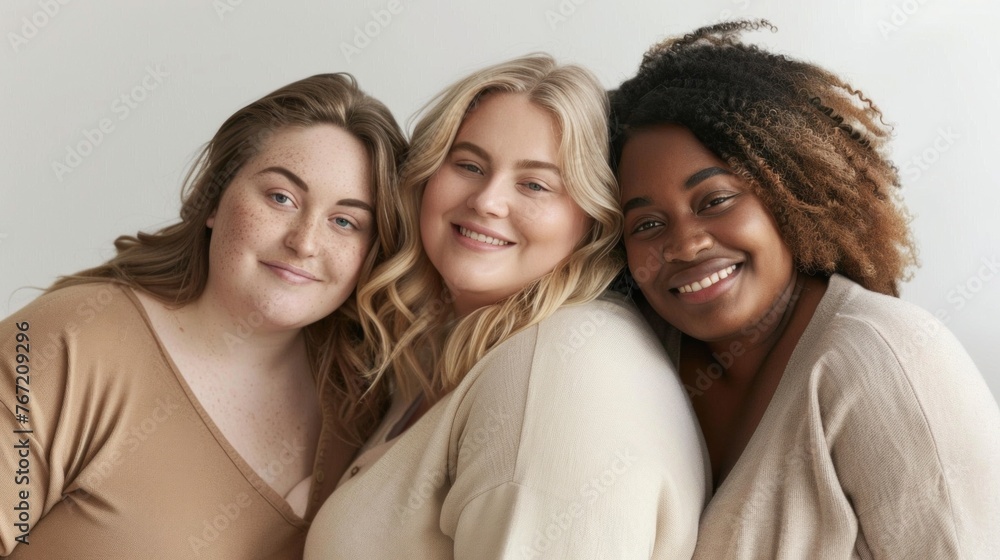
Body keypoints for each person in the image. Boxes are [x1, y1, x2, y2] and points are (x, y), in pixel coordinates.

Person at [610, 20, 1000, 559]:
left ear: (789, 193)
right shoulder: (641, 357)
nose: (685, 244)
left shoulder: (885, 361)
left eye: (716, 200)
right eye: (647, 224)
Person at [304, 54, 708, 559]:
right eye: (469, 165)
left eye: (535, 184)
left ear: (591, 216)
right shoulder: (458, 348)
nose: (488, 201)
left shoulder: (558, 377)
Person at [0, 73, 406, 558]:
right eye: (281, 198)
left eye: (345, 221)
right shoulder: (68, 342)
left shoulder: (367, 401)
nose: (304, 242)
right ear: (214, 198)